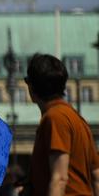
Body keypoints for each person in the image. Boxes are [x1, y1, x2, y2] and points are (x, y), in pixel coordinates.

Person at [24, 53, 99, 195]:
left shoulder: (55, 118)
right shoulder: (76, 118)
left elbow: (59, 178)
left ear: (32, 87)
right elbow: (96, 176)